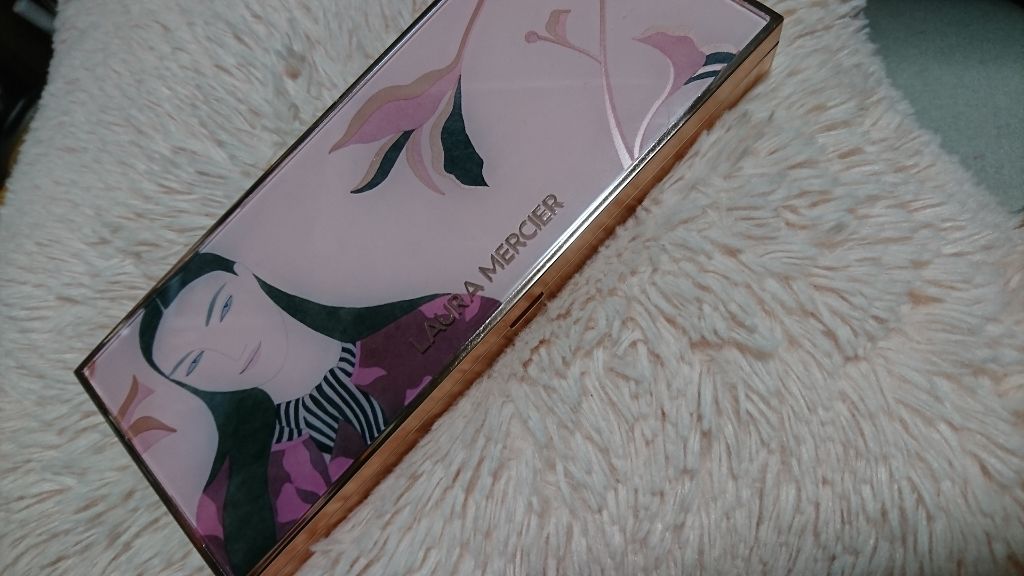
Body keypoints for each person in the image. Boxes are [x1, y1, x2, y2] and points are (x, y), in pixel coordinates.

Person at [137, 251, 496, 575]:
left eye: (225, 308)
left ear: (247, 278)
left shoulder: (437, 318)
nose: (230, 351)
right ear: (188, 385)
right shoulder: (225, 507)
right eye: (194, 363)